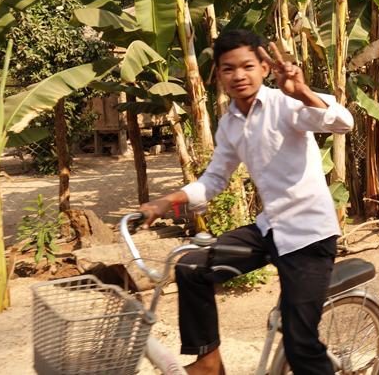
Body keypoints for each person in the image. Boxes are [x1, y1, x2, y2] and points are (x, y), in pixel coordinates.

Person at [137, 30, 354, 375]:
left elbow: (343, 122)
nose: (239, 75)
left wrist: (302, 91)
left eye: (247, 66)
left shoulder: (288, 104)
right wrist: (169, 199)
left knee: (301, 345)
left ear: (265, 68)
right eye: (228, 69)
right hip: (269, 229)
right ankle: (209, 363)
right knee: (191, 267)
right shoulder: (229, 124)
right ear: (219, 75)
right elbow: (214, 179)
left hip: (308, 237)